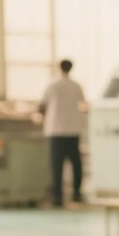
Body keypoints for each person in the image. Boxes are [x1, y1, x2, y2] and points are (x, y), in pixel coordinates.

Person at [39, 58, 87, 207]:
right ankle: (76, 193)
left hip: (56, 130)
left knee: (57, 165)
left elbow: (42, 105)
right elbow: (83, 105)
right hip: (73, 129)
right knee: (76, 164)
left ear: (59, 68)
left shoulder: (53, 85)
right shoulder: (76, 86)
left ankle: (58, 197)